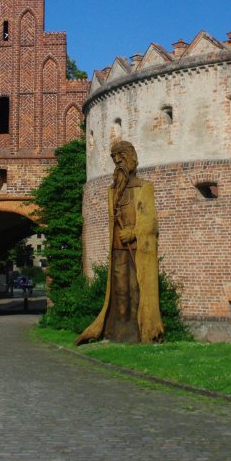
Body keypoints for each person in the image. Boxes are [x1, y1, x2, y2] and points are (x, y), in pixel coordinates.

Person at [76, 141, 164, 344]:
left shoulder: (144, 187)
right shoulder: (112, 191)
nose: (116, 161)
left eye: (120, 156)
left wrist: (133, 232)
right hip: (117, 250)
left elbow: (151, 222)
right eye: (113, 158)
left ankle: (140, 333)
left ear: (130, 157)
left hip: (137, 249)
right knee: (120, 292)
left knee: (136, 290)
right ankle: (117, 332)